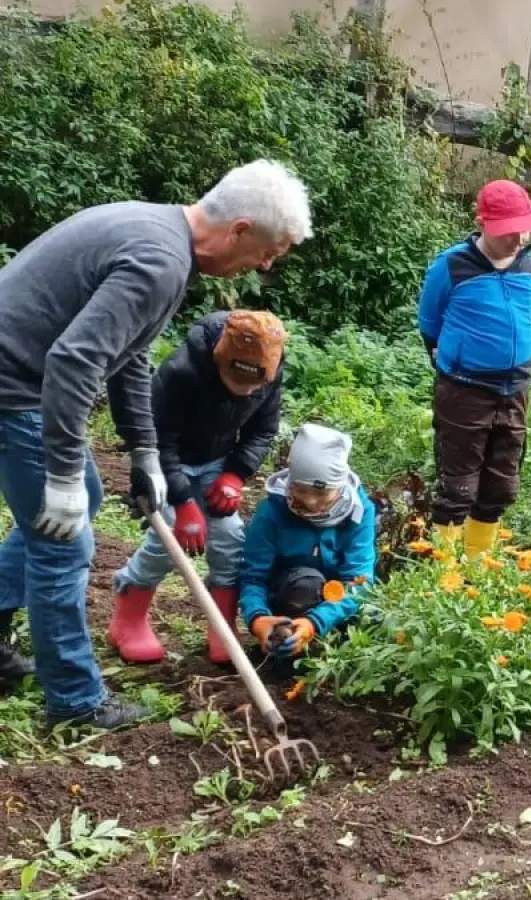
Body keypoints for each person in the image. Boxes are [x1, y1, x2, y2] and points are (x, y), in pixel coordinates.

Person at [0, 159, 312, 729]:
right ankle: (73, 702)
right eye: (268, 252)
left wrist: (143, 453)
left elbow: (129, 356)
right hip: (13, 386)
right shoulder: (160, 261)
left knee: (81, 508)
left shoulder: (157, 233)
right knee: (63, 542)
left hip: (19, 378)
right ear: (240, 229)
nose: (265, 266)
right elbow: (74, 361)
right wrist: (65, 473)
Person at [108, 310, 288, 666]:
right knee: (168, 538)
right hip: (162, 462)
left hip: (216, 461)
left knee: (230, 537)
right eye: (236, 383)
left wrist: (235, 474)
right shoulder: (181, 373)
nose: (246, 393)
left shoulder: (270, 375)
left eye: (254, 388)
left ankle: (222, 628)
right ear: (219, 359)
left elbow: (262, 432)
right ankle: (126, 621)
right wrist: (184, 502)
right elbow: (158, 440)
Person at [418, 180, 531, 559]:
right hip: (465, 390)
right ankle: (443, 571)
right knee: (459, 485)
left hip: (515, 389)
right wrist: (456, 358)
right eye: (508, 230)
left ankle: (477, 564)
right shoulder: (452, 266)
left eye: (524, 227)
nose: (518, 238)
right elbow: (430, 321)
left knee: (501, 485)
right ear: (482, 222)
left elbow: (528, 313)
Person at [240, 424, 375, 663]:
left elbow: (359, 581)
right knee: (306, 583)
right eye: (301, 490)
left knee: (375, 609)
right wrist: (258, 619)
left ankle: (329, 642)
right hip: (286, 596)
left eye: (321, 494)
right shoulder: (272, 512)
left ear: (340, 486)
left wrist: (315, 622)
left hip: (336, 600)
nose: (311, 502)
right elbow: (252, 577)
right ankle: (286, 649)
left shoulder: (360, 511)